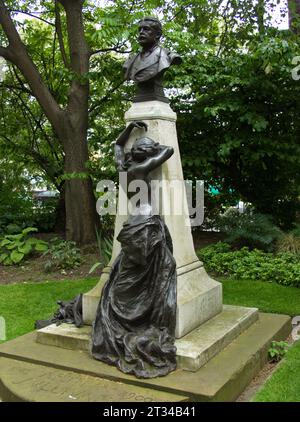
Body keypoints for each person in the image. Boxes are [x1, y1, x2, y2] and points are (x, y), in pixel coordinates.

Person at [91, 121, 177, 379]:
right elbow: (169, 150)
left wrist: (129, 130)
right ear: (145, 155)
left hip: (132, 225)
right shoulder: (142, 167)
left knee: (131, 274)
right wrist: (152, 145)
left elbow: (117, 145)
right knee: (157, 271)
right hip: (146, 224)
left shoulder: (123, 167)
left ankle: (125, 310)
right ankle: (139, 316)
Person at [123, 17, 182, 102]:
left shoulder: (168, 56)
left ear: (157, 34)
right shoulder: (130, 61)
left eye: (146, 29)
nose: (141, 32)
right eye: (140, 30)